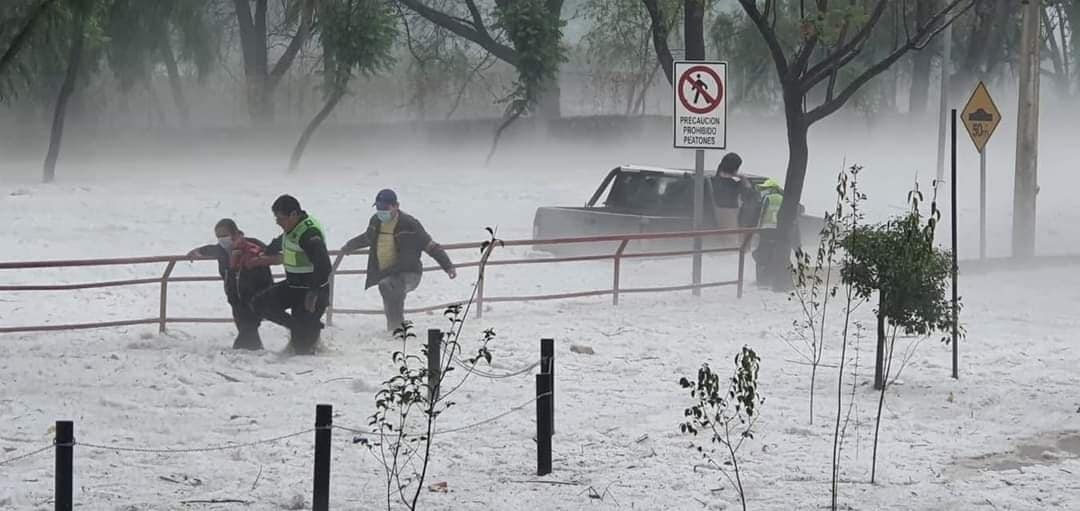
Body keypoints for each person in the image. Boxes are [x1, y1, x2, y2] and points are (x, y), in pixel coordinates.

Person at [341, 189, 457, 333]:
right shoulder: (376, 221)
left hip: (409, 272)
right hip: (387, 272)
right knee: (387, 288)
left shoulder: (410, 224)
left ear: (396, 206)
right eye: (378, 208)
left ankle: (397, 329)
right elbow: (368, 237)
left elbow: (430, 245)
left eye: (385, 208)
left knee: (389, 286)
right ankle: (395, 328)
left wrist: (448, 266)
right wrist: (349, 246)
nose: (381, 211)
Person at [248, 195, 332, 355]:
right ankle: (302, 326)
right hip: (293, 285)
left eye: (280, 218)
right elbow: (285, 240)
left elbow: (324, 266)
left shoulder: (310, 234)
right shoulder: (293, 227)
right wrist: (267, 250)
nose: (278, 223)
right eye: (276, 219)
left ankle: (307, 330)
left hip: (312, 290)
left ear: (294, 214)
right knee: (260, 304)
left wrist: (313, 292)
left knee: (302, 350)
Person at [186, 219, 274, 350]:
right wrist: (198, 251)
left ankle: (244, 349)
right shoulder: (221, 250)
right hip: (234, 296)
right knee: (244, 327)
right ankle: (254, 349)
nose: (222, 239)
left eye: (224, 235)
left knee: (248, 327)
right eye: (219, 236)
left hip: (255, 294)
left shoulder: (253, 245)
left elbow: (271, 254)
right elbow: (211, 249)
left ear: (235, 233)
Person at [712, 152, 762, 228]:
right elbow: (751, 194)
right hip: (730, 224)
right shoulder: (735, 185)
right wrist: (742, 178)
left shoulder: (712, 182)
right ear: (736, 169)